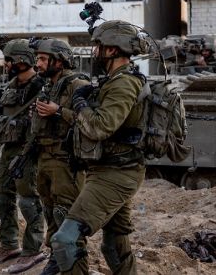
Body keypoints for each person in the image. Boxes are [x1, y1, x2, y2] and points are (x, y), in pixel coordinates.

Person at [50, 20, 148, 275]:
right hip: (111, 169)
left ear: (112, 50)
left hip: (115, 175)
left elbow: (101, 127)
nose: (94, 52)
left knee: (65, 240)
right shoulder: (115, 79)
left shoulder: (123, 83)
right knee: (114, 243)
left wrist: (81, 105)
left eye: (98, 47)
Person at [29, 38, 91, 275]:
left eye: (43, 59)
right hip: (45, 158)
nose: (39, 64)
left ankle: (75, 265)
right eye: (38, 59)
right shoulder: (49, 86)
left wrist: (59, 112)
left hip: (67, 161)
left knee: (67, 215)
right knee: (50, 211)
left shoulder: (78, 84)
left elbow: (91, 122)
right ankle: (57, 257)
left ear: (60, 60)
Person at [0, 39, 47, 274]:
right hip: (10, 148)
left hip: (31, 148)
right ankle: (9, 244)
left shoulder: (41, 86)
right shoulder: (9, 86)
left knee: (28, 200)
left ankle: (33, 249)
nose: (5, 63)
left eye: (9, 60)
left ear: (21, 61)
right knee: (1, 198)